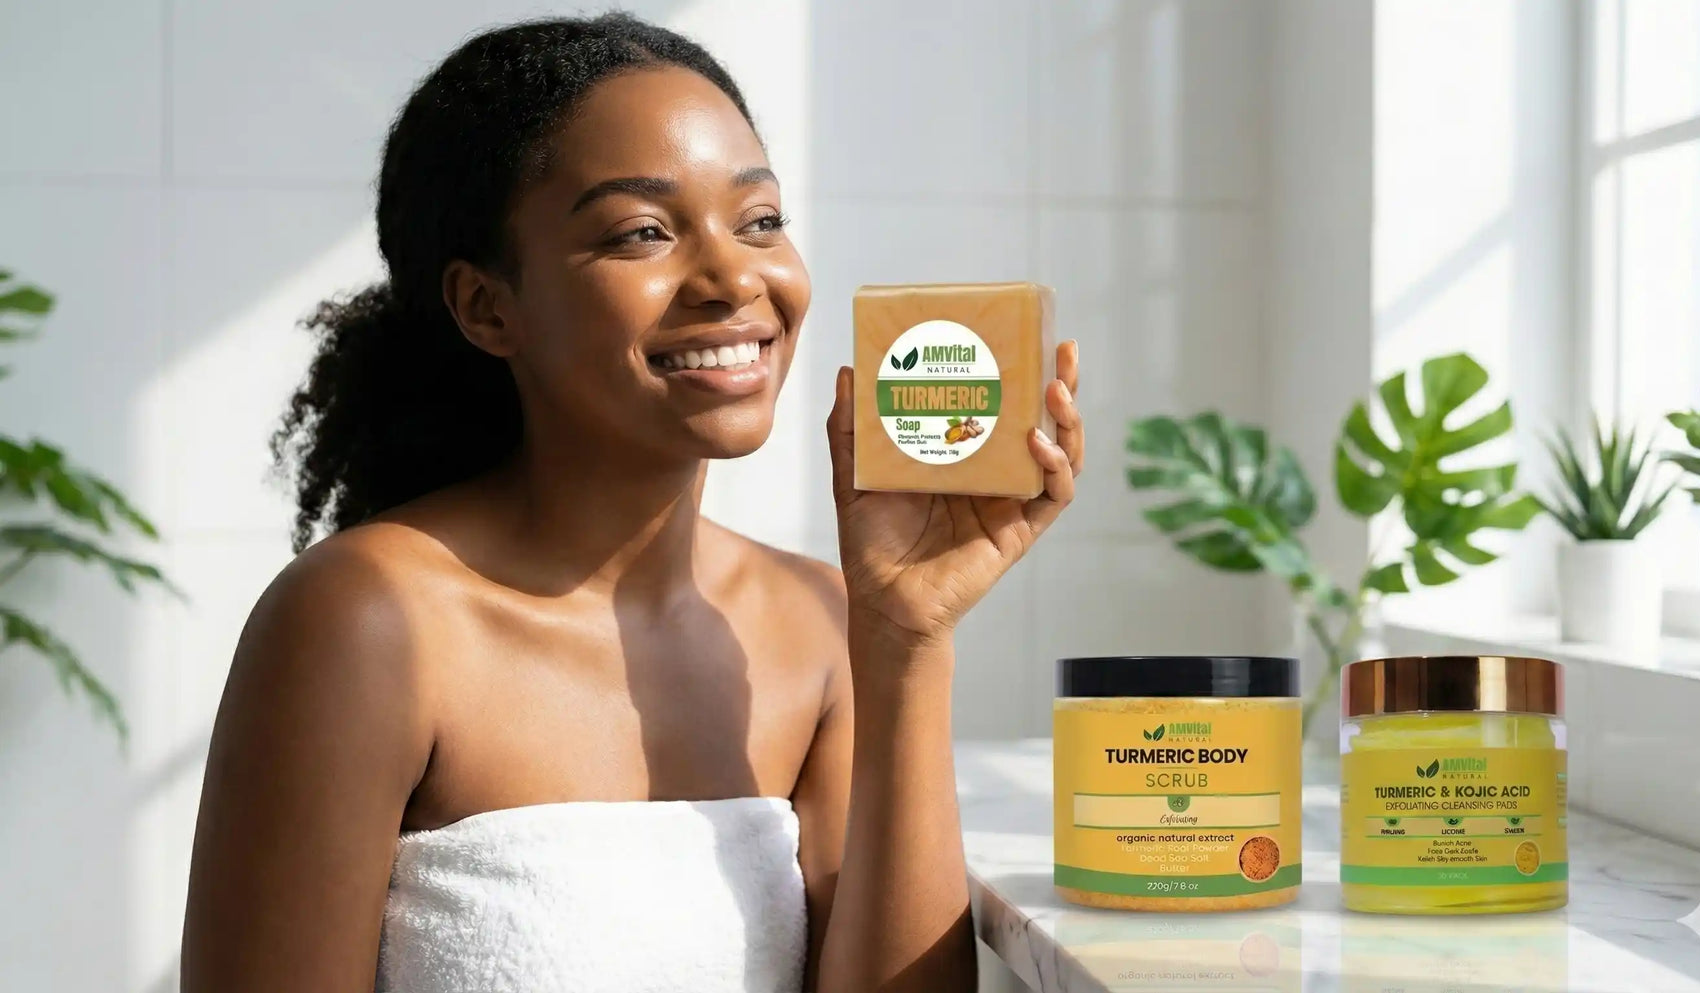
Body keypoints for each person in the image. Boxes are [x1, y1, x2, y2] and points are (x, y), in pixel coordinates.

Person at [180, 14, 1083, 993]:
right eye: (641, 233)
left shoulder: (819, 623)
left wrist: (907, 640)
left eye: (760, 220)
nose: (736, 277)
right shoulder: (369, 621)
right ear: (489, 307)